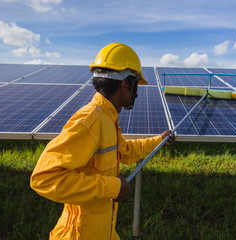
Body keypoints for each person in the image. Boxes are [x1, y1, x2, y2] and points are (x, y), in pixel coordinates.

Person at [30, 42, 175, 240]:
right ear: (125, 85)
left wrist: (158, 140)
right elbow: (44, 178)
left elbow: (124, 151)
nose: (136, 93)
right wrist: (112, 187)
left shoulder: (107, 119)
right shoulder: (89, 122)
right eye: (135, 86)